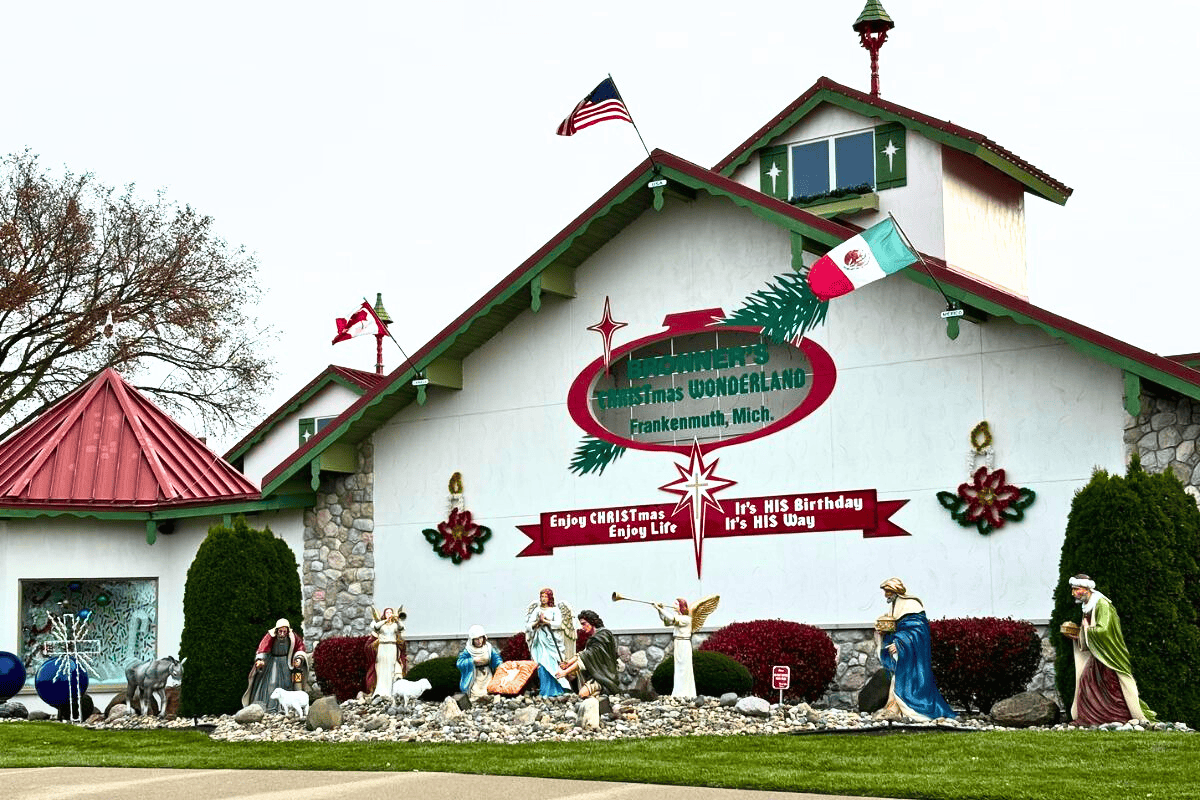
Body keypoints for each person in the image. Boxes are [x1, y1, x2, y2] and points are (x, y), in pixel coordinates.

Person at [1063, 574, 1156, 724]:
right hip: (1098, 652)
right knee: (1088, 681)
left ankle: (1118, 717)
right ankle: (1091, 718)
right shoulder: (1088, 605)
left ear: (1086, 589)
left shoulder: (1102, 604)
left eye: (1076, 589)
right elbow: (1089, 629)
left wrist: (1086, 631)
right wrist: (1079, 634)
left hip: (1108, 654)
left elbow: (1104, 630)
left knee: (1110, 685)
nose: (1073, 593)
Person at [874, 578, 955, 721]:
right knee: (896, 678)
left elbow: (918, 632)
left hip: (912, 655)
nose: (885, 595)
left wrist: (899, 643)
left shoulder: (912, 605)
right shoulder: (894, 605)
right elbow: (898, 627)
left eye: (887, 591)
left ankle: (913, 711)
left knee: (902, 680)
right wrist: (885, 633)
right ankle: (894, 709)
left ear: (895, 591)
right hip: (902, 654)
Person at [242, 618, 307, 712]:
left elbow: (300, 647)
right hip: (274, 663)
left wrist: (299, 658)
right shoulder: (270, 636)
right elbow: (263, 648)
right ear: (276, 630)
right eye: (280, 631)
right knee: (272, 684)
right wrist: (260, 660)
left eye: (285, 631)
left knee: (288, 684)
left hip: (286, 662)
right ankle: (271, 708)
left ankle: (286, 708)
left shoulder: (293, 637)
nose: (282, 633)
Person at [555, 609, 619, 698]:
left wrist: (565, 672)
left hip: (603, 675)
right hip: (594, 672)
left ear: (592, 622)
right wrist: (567, 664)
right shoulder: (593, 638)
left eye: (584, 624)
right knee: (571, 676)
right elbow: (583, 654)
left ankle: (600, 693)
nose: (582, 627)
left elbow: (586, 657)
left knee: (582, 694)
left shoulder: (603, 635)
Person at [525, 588, 571, 696]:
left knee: (553, 663)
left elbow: (559, 624)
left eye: (545, 596)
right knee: (541, 663)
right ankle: (544, 690)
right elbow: (528, 626)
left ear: (550, 598)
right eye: (542, 596)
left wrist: (546, 621)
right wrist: (537, 622)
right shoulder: (536, 610)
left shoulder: (555, 610)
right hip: (539, 640)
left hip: (551, 640)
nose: (543, 599)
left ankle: (557, 689)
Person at [657, 598, 695, 698]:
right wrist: (659, 610)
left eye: (676, 604)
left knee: (684, 668)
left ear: (681, 606)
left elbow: (672, 619)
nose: (674, 604)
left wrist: (661, 609)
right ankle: (678, 692)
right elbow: (667, 622)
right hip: (678, 642)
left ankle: (686, 693)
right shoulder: (679, 617)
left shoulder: (686, 619)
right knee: (678, 668)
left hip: (684, 643)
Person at [366, 606, 405, 697]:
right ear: (384, 614)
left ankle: (391, 690)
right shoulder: (381, 624)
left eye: (390, 612)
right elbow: (376, 627)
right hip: (383, 647)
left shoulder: (395, 625)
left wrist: (397, 620)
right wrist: (385, 621)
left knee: (391, 666)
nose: (389, 614)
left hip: (392, 646)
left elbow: (402, 628)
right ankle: (381, 690)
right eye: (387, 612)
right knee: (382, 667)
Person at [456, 624, 502, 701]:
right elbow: (460, 663)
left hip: (487, 674)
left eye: (480, 638)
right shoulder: (468, 650)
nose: (479, 641)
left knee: (489, 690)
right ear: (472, 640)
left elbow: (496, 658)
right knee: (476, 693)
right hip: (475, 676)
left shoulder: (488, 648)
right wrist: (472, 660)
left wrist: (499, 665)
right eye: (476, 639)